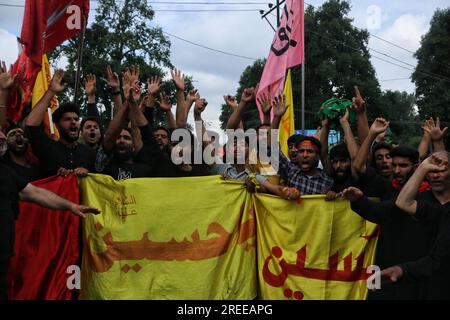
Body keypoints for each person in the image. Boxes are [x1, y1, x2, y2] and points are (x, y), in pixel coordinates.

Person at [0, 160, 99, 300]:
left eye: (3, 140)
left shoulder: (5, 172)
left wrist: (71, 206)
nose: (1, 142)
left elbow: (35, 193)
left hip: (3, 254)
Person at [382, 152, 450, 299]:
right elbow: (403, 203)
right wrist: (423, 167)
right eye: (431, 171)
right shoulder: (440, 210)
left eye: (441, 170)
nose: (436, 175)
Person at [24, 70, 95, 178]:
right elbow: (31, 126)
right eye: (67, 119)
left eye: (76, 119)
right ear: (56, 124)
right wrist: (51, 91)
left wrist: (88, 174)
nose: (73, 122)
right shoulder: (48, 149)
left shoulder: (89, 153)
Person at [272, 95, 333, 195]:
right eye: (301, 151)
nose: (305, 155)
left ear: (317, 156)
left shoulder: (328, 181)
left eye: (310, 151)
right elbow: (272, 147)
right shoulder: (291, 172)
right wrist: (277, 117)